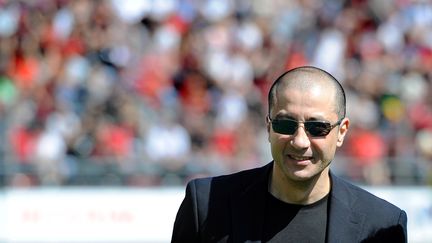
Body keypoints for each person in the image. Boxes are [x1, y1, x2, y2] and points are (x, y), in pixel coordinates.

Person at [171, 66, 407, 242]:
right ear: (268, 127)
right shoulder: (206, 204)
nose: (300, 141)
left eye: (318, 127)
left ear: (341, 132)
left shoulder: (382, 224)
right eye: (285, 125)